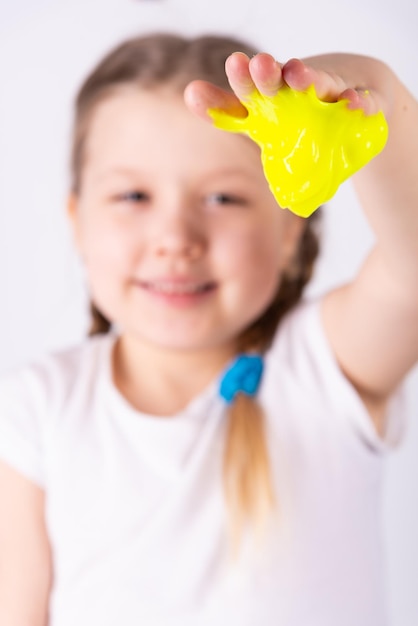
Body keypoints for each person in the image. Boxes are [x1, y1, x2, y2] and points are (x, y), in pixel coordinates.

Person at [0, 32, 417, 626]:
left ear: (290, 229)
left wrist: (367, 86)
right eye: (133, 195)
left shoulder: (325, 369)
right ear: (78, 221)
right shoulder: (36, 411)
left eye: (222, 197)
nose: (176, 238)